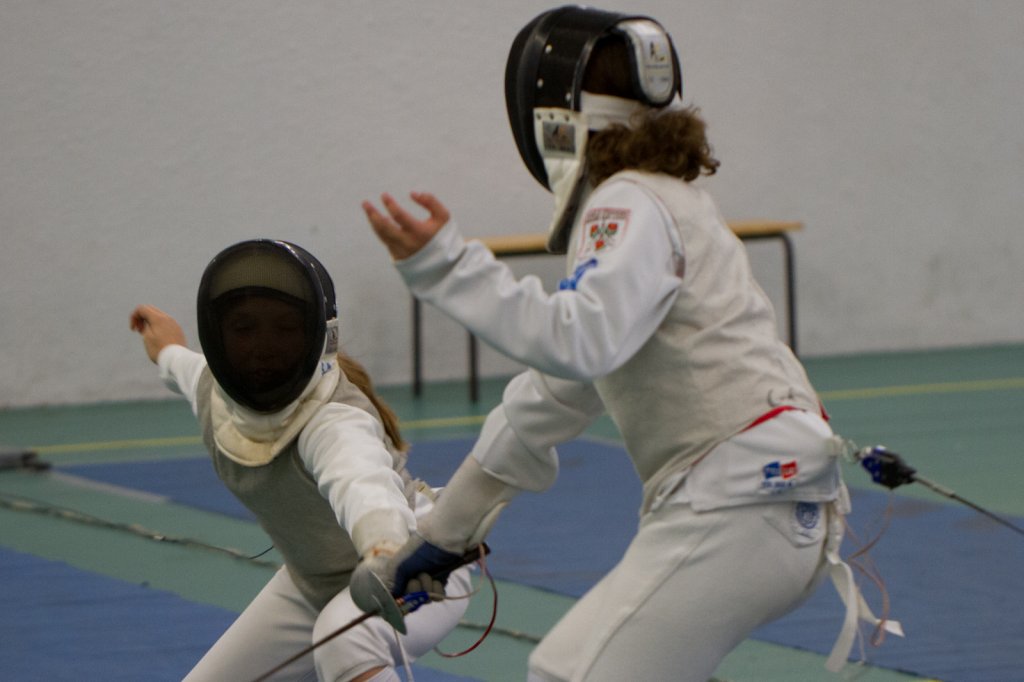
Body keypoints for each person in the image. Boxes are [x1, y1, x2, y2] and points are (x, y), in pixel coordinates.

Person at [353, 6, 900, 682]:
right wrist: (441, 540)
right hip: (779, 508)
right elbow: (546, 403)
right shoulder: (668, 201)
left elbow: (579, 340)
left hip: (739, 505)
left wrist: (446, 267)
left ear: (553, 117)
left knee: (569, 674)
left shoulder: (626, 204)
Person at [130, 239, 473, 682]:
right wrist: (165, 348)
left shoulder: (333, 423)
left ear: (317, 335)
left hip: (412, 569)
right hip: (313, 583)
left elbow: (364, 487)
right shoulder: (214, 393)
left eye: (285, 328)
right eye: (244, 328)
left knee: (345, 644)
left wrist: (385, 551)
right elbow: (181, 365)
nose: (262, 347)